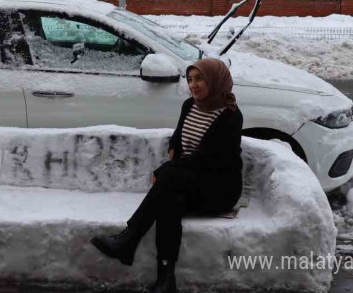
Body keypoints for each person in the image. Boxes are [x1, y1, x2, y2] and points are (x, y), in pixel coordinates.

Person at [91, 58, 244, 293]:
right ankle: (165, 278)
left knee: (168, 180)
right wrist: (174, 147)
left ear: (215, 80)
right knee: (169, 202)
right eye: (190, 79)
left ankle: (128, 238)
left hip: (218, 187)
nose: (194, 85)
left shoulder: (230, 116)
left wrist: (167, 169)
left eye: (200, 78)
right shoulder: (189, 105)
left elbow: (210, 158)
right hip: (187, 179)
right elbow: (179, 134)